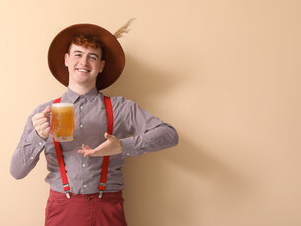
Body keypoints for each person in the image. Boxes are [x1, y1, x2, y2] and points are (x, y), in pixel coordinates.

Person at [10, 22, 179, 226]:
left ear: (101, 66)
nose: (84, 62)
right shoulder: (43, 114)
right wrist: (37, 136)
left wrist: (122, 146)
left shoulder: (121, 108)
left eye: (93, 56)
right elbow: (17, 171)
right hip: (61, 209)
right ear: (66, 60)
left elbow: (169, 135)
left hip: (107, 209)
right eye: (78, 54)